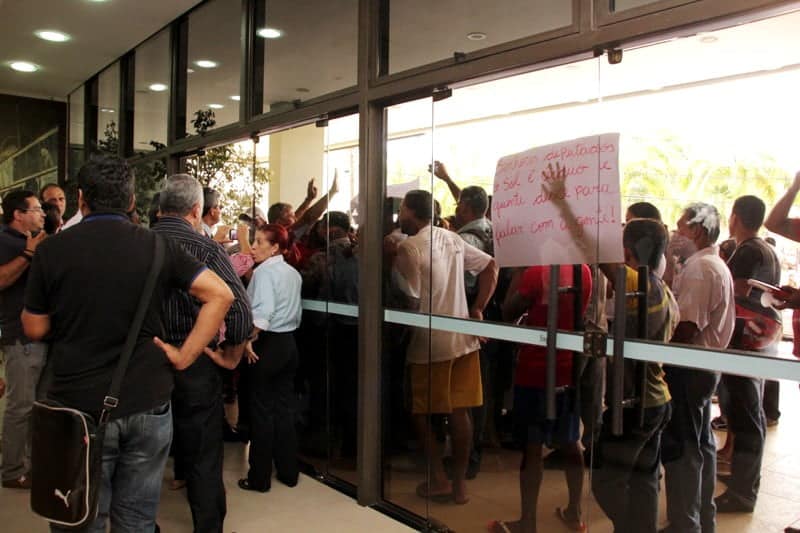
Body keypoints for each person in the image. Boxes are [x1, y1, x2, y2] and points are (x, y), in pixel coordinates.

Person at [21, 154, 235, 532]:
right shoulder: (157, 247)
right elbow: (220, 295)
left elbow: (35, 328)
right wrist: (185, 356)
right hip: (147, 400)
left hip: (78, 404)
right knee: (136, 519)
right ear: (133, 201)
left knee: (81, 514)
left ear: (82, 199)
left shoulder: (52, 250)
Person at [153, 174, 253, 533]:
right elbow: (240, 312)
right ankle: (207, 527)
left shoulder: (140, 244)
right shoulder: (207, 250)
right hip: (197, 364)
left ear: (159, 208)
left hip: (146, 362)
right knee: (203, 454)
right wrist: (231, 355)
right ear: (196, 210)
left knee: (142, 452)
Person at [393, 189, 498, 505]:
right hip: (462, 339)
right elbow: (491, 266)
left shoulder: (409, 248)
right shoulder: (451, 237)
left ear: (410, 211)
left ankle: (438, 477)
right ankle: (459, 487)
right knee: (459, 412)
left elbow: (411, 301)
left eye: (402, 212)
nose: (400, 217)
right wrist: (477, 309)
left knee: (420, 412)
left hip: (430, 342)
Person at [591, 219, 679, 533]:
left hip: (635, 406)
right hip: (656, 400)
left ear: (627, 251)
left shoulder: (639, 284)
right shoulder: (663, 289)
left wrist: (564, 204)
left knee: (604, 479)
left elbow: (598, 253)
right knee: (644, 482)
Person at [491, 262, 591, 533]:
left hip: (535, 367)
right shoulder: (584, 271)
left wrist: (518, 276)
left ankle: (528, 522)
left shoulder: (537, 273)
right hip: (568, 366)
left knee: (533, 445)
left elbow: (508, 311)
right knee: (571, 441)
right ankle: (575, 512)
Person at [661, 202, 735, 533]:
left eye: (680, 228)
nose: (675, 235)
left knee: (685, 450)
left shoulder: (701, 269)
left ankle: (684, 524)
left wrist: (660, 354)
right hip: (703, 368)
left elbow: (687, 328)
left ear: (698, 231)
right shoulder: (708, 264)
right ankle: (702, 518)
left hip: (690, 369)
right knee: (701, 443)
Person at [714, 195, 780, 513]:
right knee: (747, 416)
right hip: (759, 342)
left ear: (735, 216)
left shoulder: (748, 250)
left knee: (745, 417)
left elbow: (734, 292)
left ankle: (742, 492)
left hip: (743, 342)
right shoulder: (767, 249)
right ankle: (743, 484)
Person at [238, 223, 303, 493]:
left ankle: (259, 478)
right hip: (289, 345)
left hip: (267, 345)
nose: (253, 247)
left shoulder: (264, 273)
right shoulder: (292, 273)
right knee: (284, 410)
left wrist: (249, 340)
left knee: (261, 413)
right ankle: (289, 472)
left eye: (260, 242)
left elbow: (263, 312)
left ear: (275, 247)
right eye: (253, 241)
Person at [0, 189, 47, 490]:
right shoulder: (6, 241)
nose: (42, 213)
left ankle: (26, 464)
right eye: (36, 209)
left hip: (33, 337)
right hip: (20, 337)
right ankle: (13, 470)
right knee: (20, 406)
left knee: (32, 405)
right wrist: (29, 253)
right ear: (18, 214)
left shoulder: (29, 241)